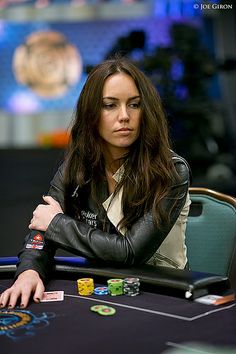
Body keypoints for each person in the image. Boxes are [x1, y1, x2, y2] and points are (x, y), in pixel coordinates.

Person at [0, 56, 191, 309]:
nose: (124, 116)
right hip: (104, 284)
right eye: (110, 105)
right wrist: (29, 271)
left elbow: (130, 252)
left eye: (134, 105)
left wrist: (58, 224)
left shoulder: (171, 171)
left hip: (163, 290)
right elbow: (41, 231)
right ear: (91, 113)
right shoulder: (77, 166)